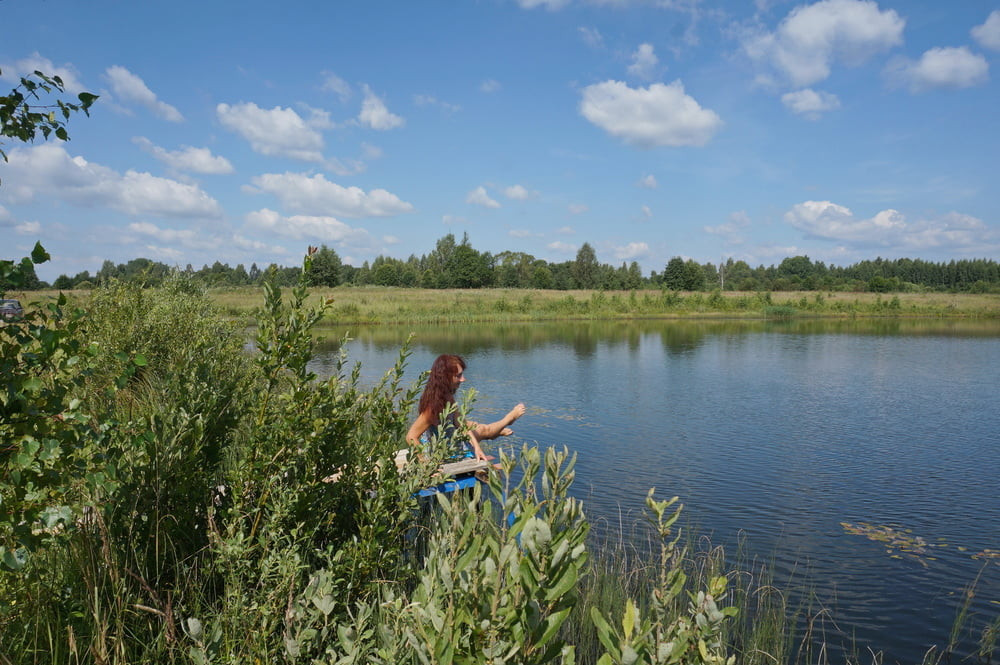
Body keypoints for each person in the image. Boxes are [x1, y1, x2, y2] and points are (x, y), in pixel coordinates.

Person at [406, 354, 525, 463]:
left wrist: (477, 448)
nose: (463, 379)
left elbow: (461, 425)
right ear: (445, 377)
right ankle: (508, 419)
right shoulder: (432, 407)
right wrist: (426, 464)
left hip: (450, 433)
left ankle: (498, 430)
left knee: (477, 426)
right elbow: (411, 436)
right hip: (443, 448)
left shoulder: (447, 396)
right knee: (485, 430)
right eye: (458, 376)